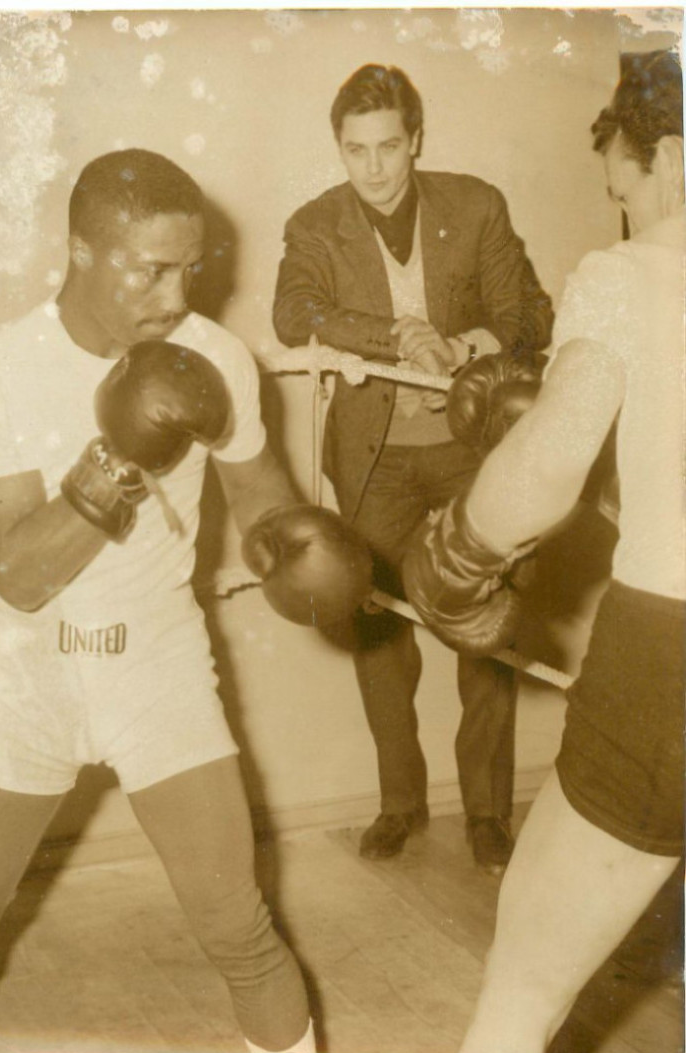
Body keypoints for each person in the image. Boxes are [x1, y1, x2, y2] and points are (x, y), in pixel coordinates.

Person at [0, 148, 371, 1053]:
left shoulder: (215, 356)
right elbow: (19, 575)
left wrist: (298, 551)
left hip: (157, 660)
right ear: (83, 252)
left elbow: (263, 498)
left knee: (239, 919)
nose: (177, 295)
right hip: (36, 667)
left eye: (192, 266)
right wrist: (116, 460)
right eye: (151, 269)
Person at [403, 50, 684, 1053]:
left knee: (522, 990)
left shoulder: (634, 270)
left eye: (623, 182)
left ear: (666, 155)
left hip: (671, 655)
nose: (621, 206)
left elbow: (542, 477)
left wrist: (458, 553)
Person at [273, 64, 553, 868]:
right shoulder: (314, 225)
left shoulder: (477, 205)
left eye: (389, 146)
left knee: (484, 634)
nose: (373, 168)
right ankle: (400, 804)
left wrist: (459, 348)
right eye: (355, 149)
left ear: (416, 140)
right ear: (339, 147)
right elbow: (294, 313)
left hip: (472, 461)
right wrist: (399, 336)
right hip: (374, 466)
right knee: (378, 641)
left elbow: (523, 317)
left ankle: (489, 816)